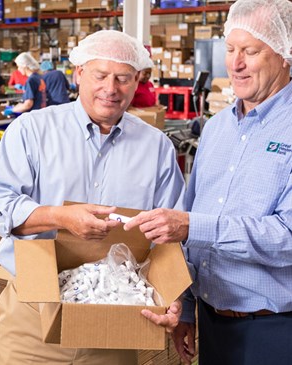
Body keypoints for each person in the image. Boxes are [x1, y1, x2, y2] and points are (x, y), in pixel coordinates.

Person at [0, 30, 186, 365]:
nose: (111, 88)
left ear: (138, 81)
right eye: (100, 75)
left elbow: (172, 235)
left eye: (123, 78)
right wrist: (61, 218)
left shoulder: (156, 147)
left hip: (118, 319)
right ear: (79, 74)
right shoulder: (32, 131)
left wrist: (173, 294)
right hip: (33, 315)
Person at [123, 1, 292, 364]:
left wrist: (191, 226)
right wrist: (186, 308)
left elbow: (287, 237)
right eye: (230, 49)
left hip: (277, 330)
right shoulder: (216, 129)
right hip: (212, 324)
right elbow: (193, 216)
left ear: (284, 54)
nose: (236, 63)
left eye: (251, 51)